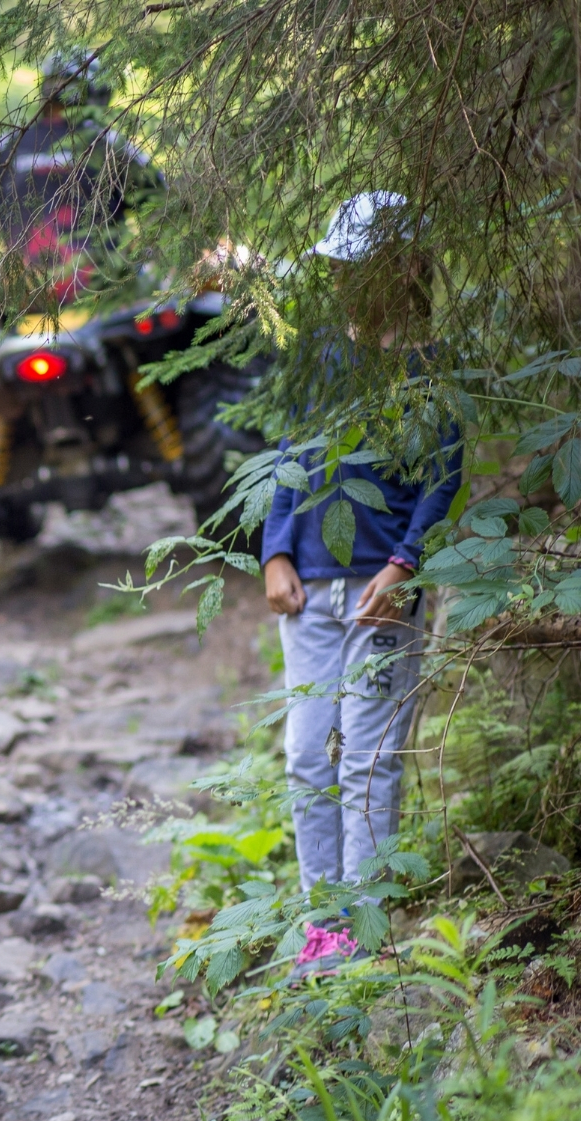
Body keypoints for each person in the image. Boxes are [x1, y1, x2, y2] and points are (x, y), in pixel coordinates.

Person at [262, 191, 461, 976]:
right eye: (341, 266)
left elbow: (445, 479)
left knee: (368, 759)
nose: (349, 280)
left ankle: (364, 929)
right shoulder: (316, 354)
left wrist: (406, 563)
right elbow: (286, 457)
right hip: (309, 589)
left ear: (406, 269)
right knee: (308, 753)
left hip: (384, 587)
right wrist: (275, 551)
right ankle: (325, 923)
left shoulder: (429, 364)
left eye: (365, 267)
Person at [0, 49, 159, 312]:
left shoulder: (7, 149)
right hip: (105, 299)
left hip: (19, 301)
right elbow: (165, 205)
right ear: (98, 93)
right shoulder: (110, 146)